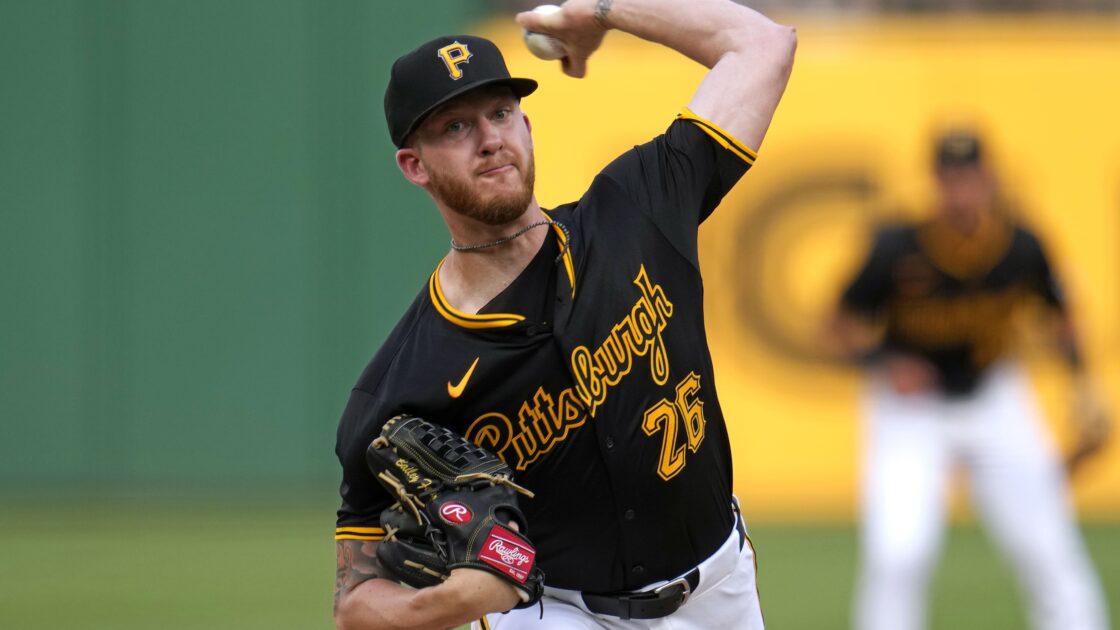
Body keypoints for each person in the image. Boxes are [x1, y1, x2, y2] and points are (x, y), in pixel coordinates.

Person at [331, 1, 796, 628]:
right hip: (555, 612)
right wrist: (449, 602)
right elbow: (355, 602)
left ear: (527, 124)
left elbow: (763, 44)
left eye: (499, 113)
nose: (490, 139)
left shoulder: (637, 212)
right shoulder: (400, 385)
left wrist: (603, 11)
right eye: (455, 128)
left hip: (720, 590)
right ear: (415, 166)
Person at [827, 128, 1112, 630]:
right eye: (950, 177)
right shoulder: (897, 247)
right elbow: (833, 328)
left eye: (970, 177)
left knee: (1049, 546)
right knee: (899, 553)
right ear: (935, 181)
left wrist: (1083, 387)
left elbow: (1061, 318)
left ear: (989, 179)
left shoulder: (1021, 245)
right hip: (911, 410)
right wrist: (881, 362)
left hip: (994, 399)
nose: (961, 189)